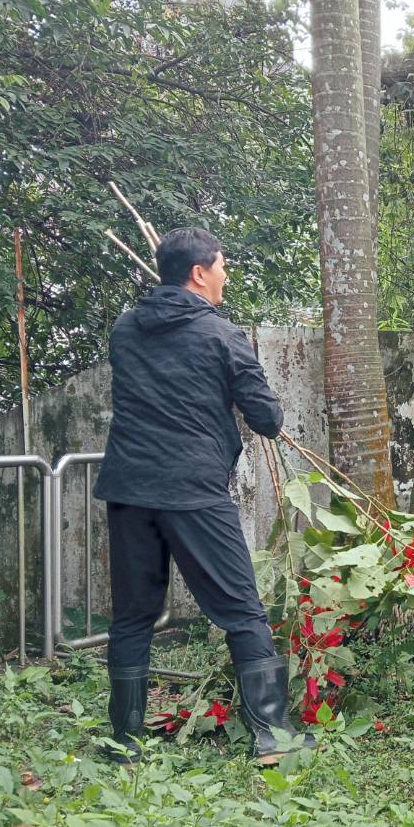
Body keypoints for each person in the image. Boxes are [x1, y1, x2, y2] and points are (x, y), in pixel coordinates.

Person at [93, 226, 312, 765]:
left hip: (128, 487)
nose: (226, 273)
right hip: (191, 489)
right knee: (242, 610)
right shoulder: (220, 334)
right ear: (198, 272)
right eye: (222, 264)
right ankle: (271, 736)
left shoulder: (125, 329)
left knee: (132, 617)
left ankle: (123, 741)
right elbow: (264, 416)